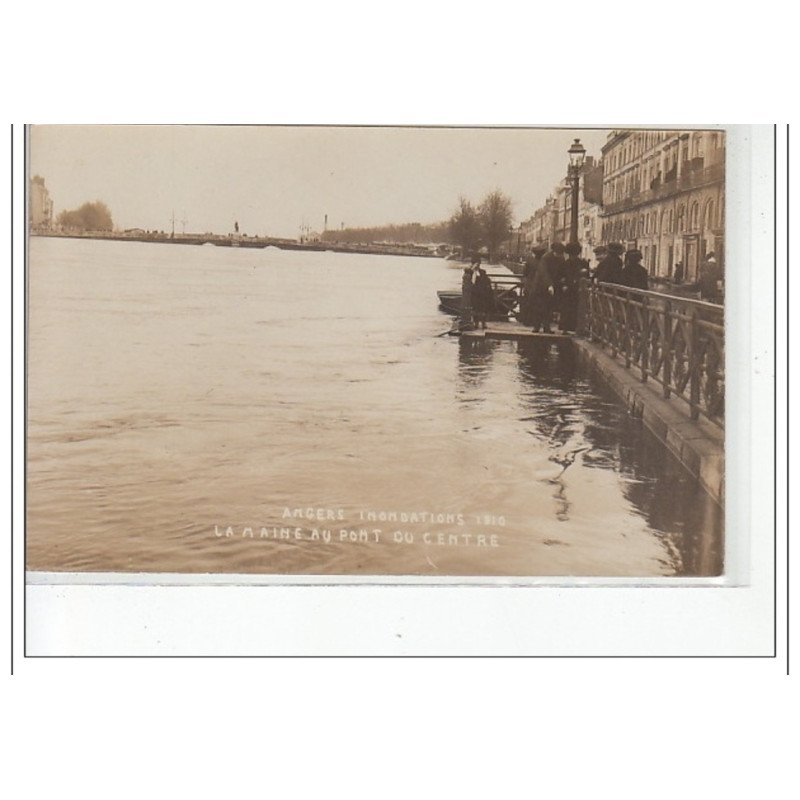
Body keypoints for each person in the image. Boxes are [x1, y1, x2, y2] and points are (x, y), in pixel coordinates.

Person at [524, 246, 555, 332]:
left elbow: (525, 274)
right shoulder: (546, 261)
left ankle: (536, 327)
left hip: (533, 288)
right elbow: (548, 274)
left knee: (535, 308)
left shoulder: (530, 261)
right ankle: (546, 327)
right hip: (544, 288)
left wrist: (527, 285)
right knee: (546, 308)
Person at [558, 242, 586, 332]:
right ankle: (566, 328)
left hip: (576, 289)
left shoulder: (580, 263)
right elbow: (560, 276)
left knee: (572, 308)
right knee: (568, 309)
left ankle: (571, 327)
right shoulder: (566, 263)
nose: (573, 256)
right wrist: (563, 285)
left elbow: (585, 276)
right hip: (569, 289)